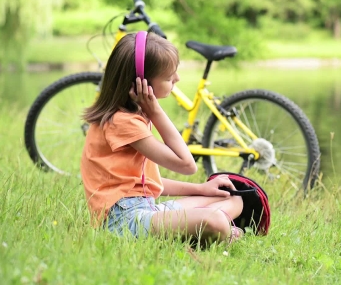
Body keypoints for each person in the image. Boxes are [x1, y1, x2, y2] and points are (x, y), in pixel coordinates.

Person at [80, 31, 243, 244]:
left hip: (147, 208)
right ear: (140, 84)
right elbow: (187, 165)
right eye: (168, 77)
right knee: (216, 221)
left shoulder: (131, 116)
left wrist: (201, 189)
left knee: (235, 199)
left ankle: (199, 227)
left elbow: (146, 182)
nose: (177, 79)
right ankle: (215, 229)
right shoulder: (122, 123)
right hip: (125, 220)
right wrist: (156, 112)